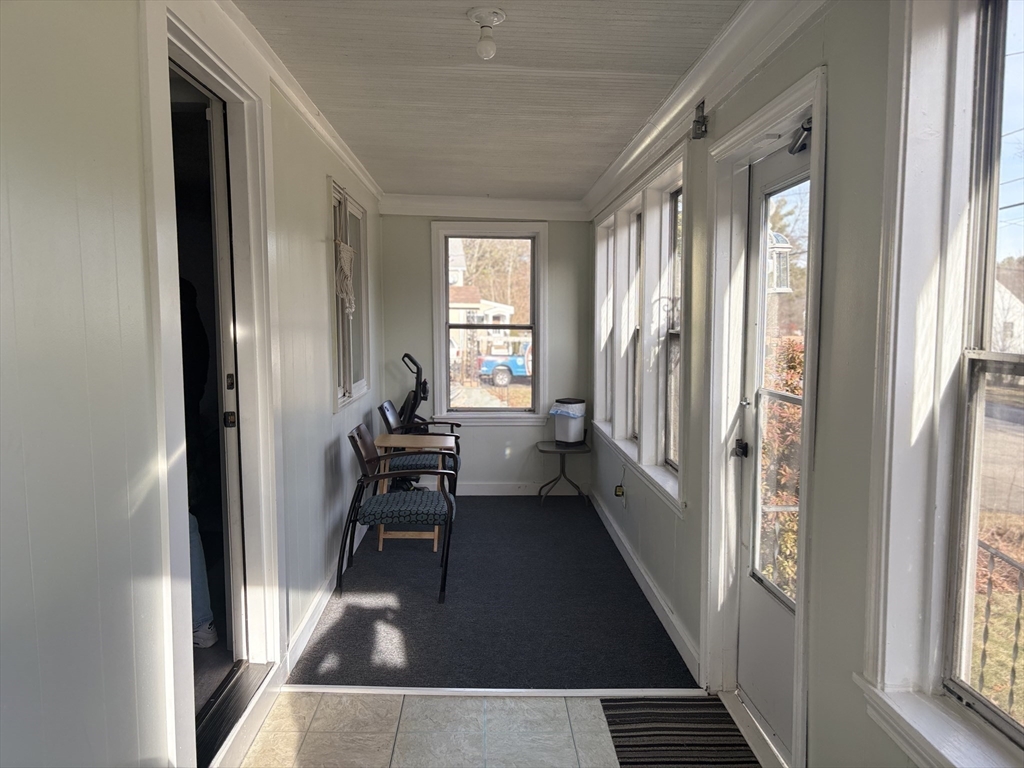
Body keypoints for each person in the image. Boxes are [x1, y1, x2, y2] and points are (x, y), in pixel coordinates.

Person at [180, 279, 218, 648]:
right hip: (186, 417)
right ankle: (197, 621)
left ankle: (198, 621)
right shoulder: (193, 330)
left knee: (183, 520)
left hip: (181, 421)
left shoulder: (185, 331)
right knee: (185, 517)